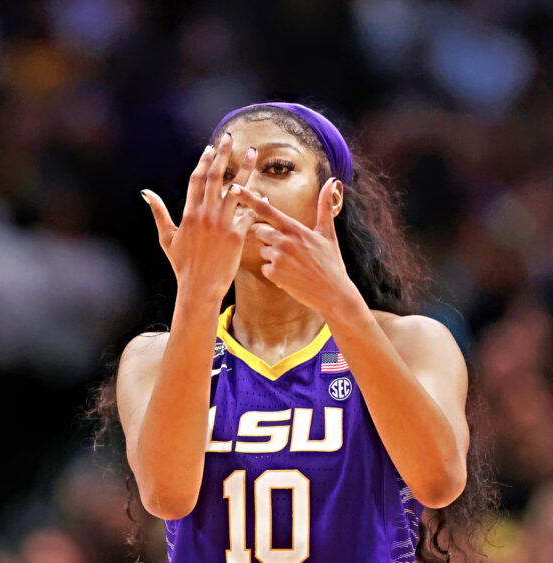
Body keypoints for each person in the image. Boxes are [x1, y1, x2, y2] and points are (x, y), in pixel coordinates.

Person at [111, 102, 482, 561]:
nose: (244, 189)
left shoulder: (413, 341)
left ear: (333, 196)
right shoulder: (152, 357)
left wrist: (338, 301)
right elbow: (166, 497)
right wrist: (197, 294)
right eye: (224, 175)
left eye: (277, 167)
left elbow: (439, 482)